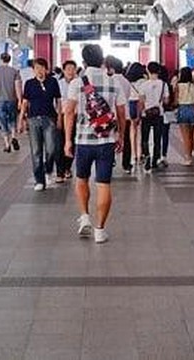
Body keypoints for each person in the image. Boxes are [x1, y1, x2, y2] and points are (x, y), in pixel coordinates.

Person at [64, 44, 126, 244]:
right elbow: (122, 113)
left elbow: (69, 113)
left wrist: (67, 140)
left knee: (81, 179)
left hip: (83, 141)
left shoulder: (76, 83)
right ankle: (100, 229)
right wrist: (121, 136)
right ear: (103, 61)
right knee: (103, 184)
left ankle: (84, 217)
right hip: (106, 141)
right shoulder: (114, 82)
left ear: (83, 61)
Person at [21, 58, 61, 191]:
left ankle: (48, 170)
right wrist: (21, 119)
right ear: (33, 70)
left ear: (46, 69)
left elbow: (58, 101)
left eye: (41, 67)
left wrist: (59, 117)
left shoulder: (53, 82)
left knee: (51, 149)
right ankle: (39, 180)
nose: (39, 70)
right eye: (36, 68)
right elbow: (25, 102)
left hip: (49, 119)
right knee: (36, 151)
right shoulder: (29, 84)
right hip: (33, 119)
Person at [139, 62, 168, 173]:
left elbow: (141, 101)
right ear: (159, 71)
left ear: (148, 70)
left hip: (146, 114)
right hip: (158, 114)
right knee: (157, 138)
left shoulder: (143, 85)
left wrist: (139, 114)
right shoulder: (164, 84)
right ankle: (155, 161)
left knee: (145, 138)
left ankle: (147, 156)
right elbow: (166, 100)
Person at [0, 53, 22, 153]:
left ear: (1, 59)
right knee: (12, 120)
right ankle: (14, 136)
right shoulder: (14, 71)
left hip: (0, 100)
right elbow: (18, 86)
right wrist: (19, 100)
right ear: (9, 60)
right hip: (12, 99)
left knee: (3, 122)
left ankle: (7, 144)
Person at [55, 60, 78, 182]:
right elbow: (55, 102)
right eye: (68, 69)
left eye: (72, 69)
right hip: (61, 116)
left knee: (71, 144)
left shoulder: (80, 84)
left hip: (75, 117)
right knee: (59, 145)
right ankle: (60, 171)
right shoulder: (58, 84)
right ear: (63, 70)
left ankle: (67, 167)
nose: (70, 71)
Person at [174, 67, 194, 165]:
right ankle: (191, 153)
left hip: (183, 109)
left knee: (185, 137)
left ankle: (188, 158)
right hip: (193, 110)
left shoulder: (178, 86)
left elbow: (176, 101)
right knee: (191, 134)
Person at [124, 62, 146, 173]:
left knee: (132, 131)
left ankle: (133, 153)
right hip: (139, 104)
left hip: (130, 104)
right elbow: (143, 97)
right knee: (141, 130)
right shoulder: (143, 81)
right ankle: (140, 153)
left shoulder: (127, 80)